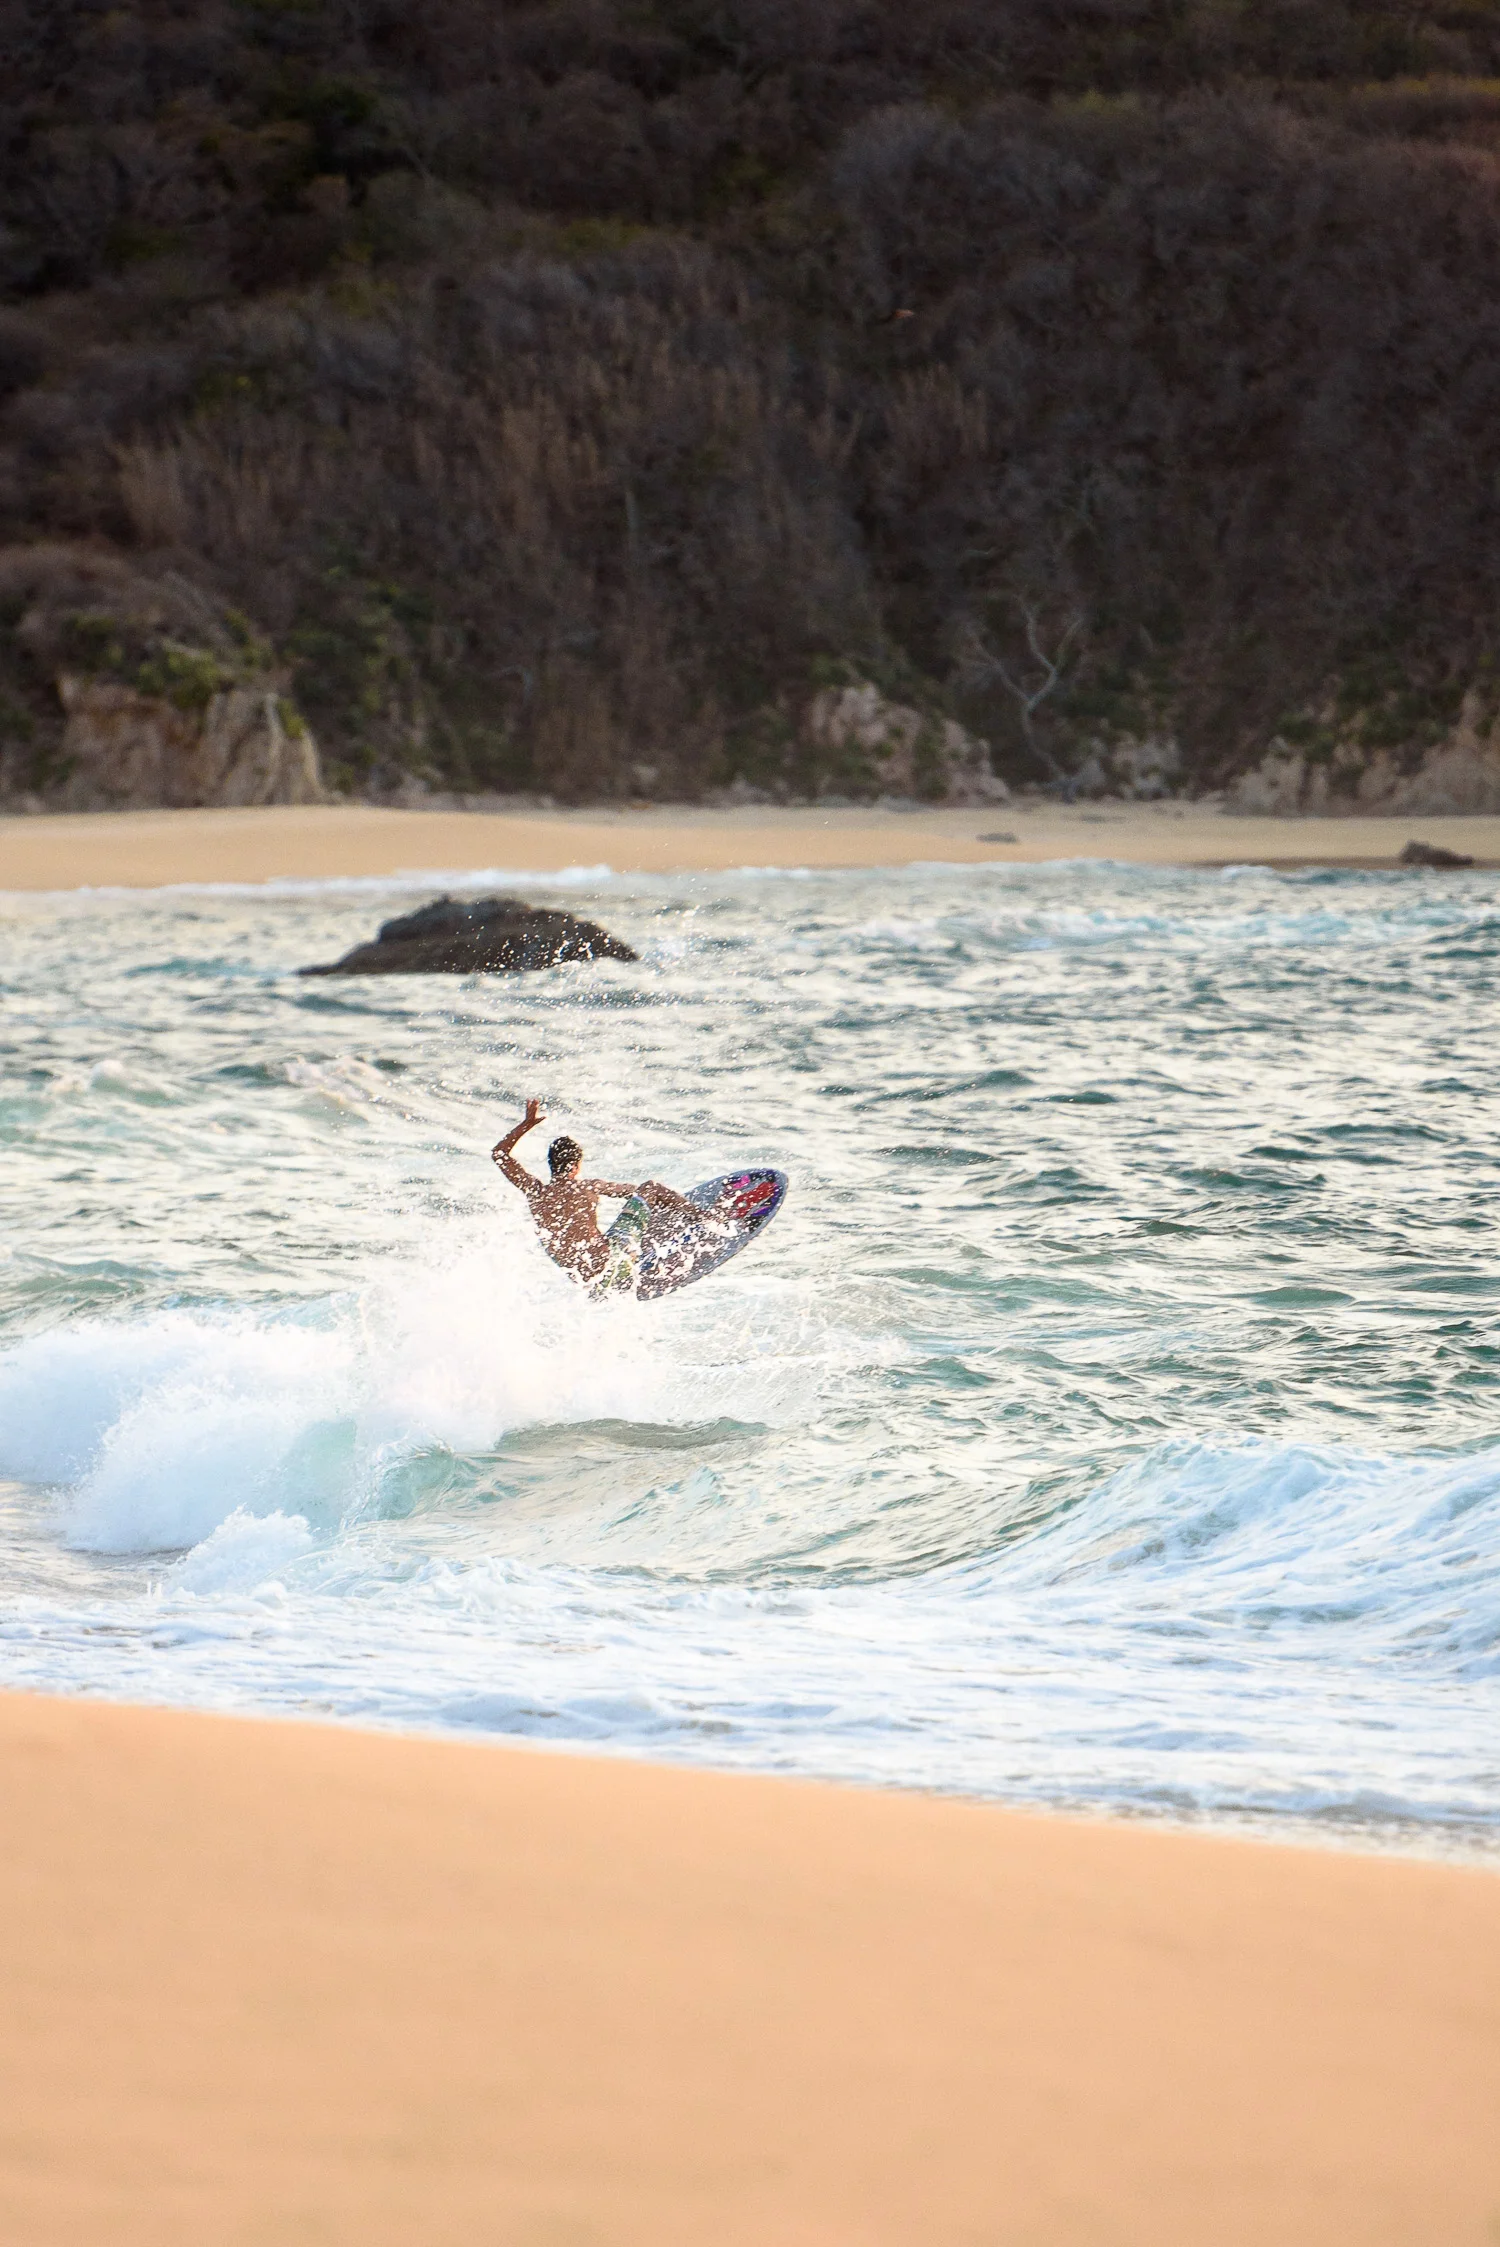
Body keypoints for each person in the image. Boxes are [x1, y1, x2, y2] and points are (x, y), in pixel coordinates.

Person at [491, 1098, 700, 1291]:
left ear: (551, 1164)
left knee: (618, 1232)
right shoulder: (586, 1187)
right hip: (614, 1266)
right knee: (652, 1189)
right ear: (575, 1165)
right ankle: (704, 1218)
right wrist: (648, 1199)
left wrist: (526, 1124)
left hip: (586, 1283)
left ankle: (650, 1247)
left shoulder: (535, 1192)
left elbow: (499, 1154)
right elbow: (634, 1191)